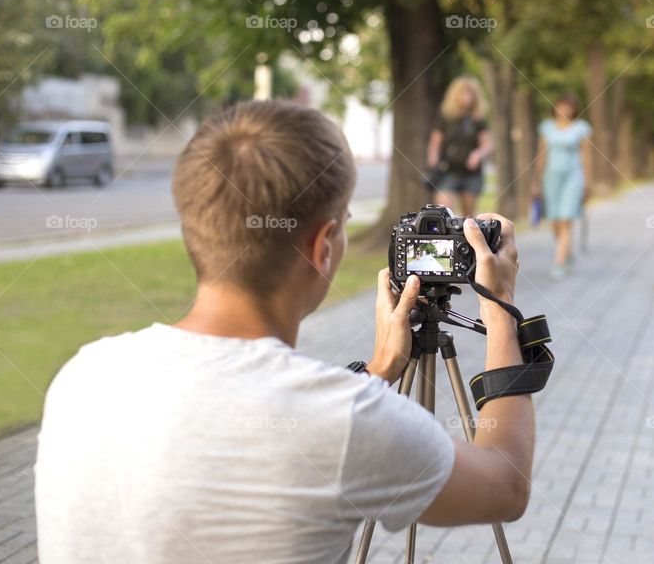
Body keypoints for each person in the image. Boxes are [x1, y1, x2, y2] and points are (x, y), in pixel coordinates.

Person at [34, 101, 534, 563]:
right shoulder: (348, 422)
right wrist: (498, 307)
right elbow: (506, 486)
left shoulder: (82, 377)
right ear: (323, 248)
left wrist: (379, 370)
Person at [532, 93, 593, 279]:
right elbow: (541, 156)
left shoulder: (581, 128)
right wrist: (535, 182)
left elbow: (587, 157)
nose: (565, 110)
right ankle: (567, 253)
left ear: (574, 109)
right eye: (561, 105)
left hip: (573, 177)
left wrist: (588, 182)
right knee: (554, 221)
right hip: (551, 178)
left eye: (569, 106)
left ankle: (558, 263)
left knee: (566, 219)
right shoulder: (547, 128)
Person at [427, 75, 493, 217]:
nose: (467, 97)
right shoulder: (446, 116)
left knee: (468, 215)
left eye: (470, 93)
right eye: (463, 92)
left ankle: (464, 239)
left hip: (471, 173)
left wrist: (478, 154)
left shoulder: (477, 118)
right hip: (448, 170)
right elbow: (435, 143)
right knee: (443, 209)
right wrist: (433, 165)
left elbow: (487, 144)